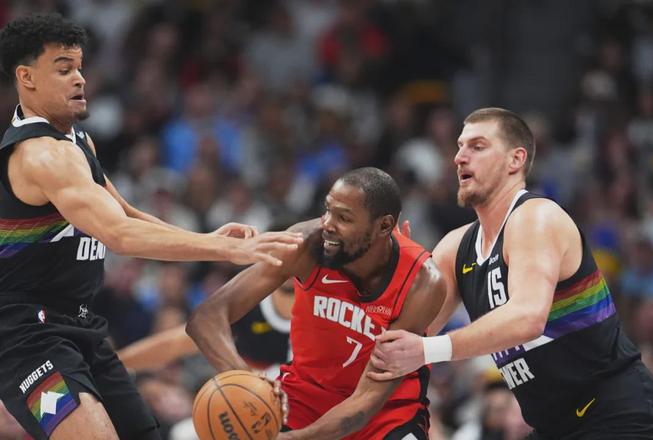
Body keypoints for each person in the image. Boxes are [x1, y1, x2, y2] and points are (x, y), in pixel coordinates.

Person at [0, 13, 302, 440]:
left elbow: (124, 214)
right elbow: (118, 235)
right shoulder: (41, 155)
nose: (80, 79)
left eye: (80, 68)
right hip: (26, 335)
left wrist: (205, 238)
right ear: (26, 77)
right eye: (64, 70)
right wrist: (227, 251)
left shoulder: (77, 142)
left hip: (78, 325)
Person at [369, 107, 653, 438]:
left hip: (616, 414)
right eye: (460, 147)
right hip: (554, 427)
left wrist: (427, 350)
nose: (460, 157)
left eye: (477, 146)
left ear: (515, 160)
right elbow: (402, 337)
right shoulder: (455, 247)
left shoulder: (536, 217)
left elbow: (527, 318)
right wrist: (392, 279)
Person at [186, 167, 446, 439]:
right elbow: (206, 318)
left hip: (385, 414)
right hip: (302, 401)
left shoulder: (422, 282)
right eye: (328, 210)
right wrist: (248, 383)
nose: (328, 225)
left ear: (383, 226)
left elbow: (366, 400)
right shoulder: (305, 244)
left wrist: (292, 439)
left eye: (344, 218)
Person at [117, 279, 296, 378]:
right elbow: (174, 344)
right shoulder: (246, 307)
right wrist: (114, 363)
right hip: (256, 407)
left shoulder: (315, 309)